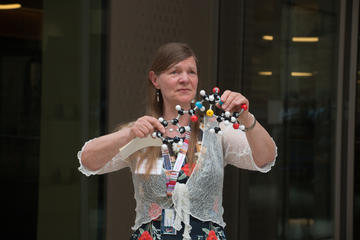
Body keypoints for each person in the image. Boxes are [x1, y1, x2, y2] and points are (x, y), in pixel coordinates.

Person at [77, 42, 277, 240]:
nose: (185, 79)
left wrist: (246, 117)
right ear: (155, 79)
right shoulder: (142, 132)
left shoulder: (216, 130)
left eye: (191, 72)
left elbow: (266, 159)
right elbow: (88, 161)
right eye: (175, 72)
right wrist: (128, 134)